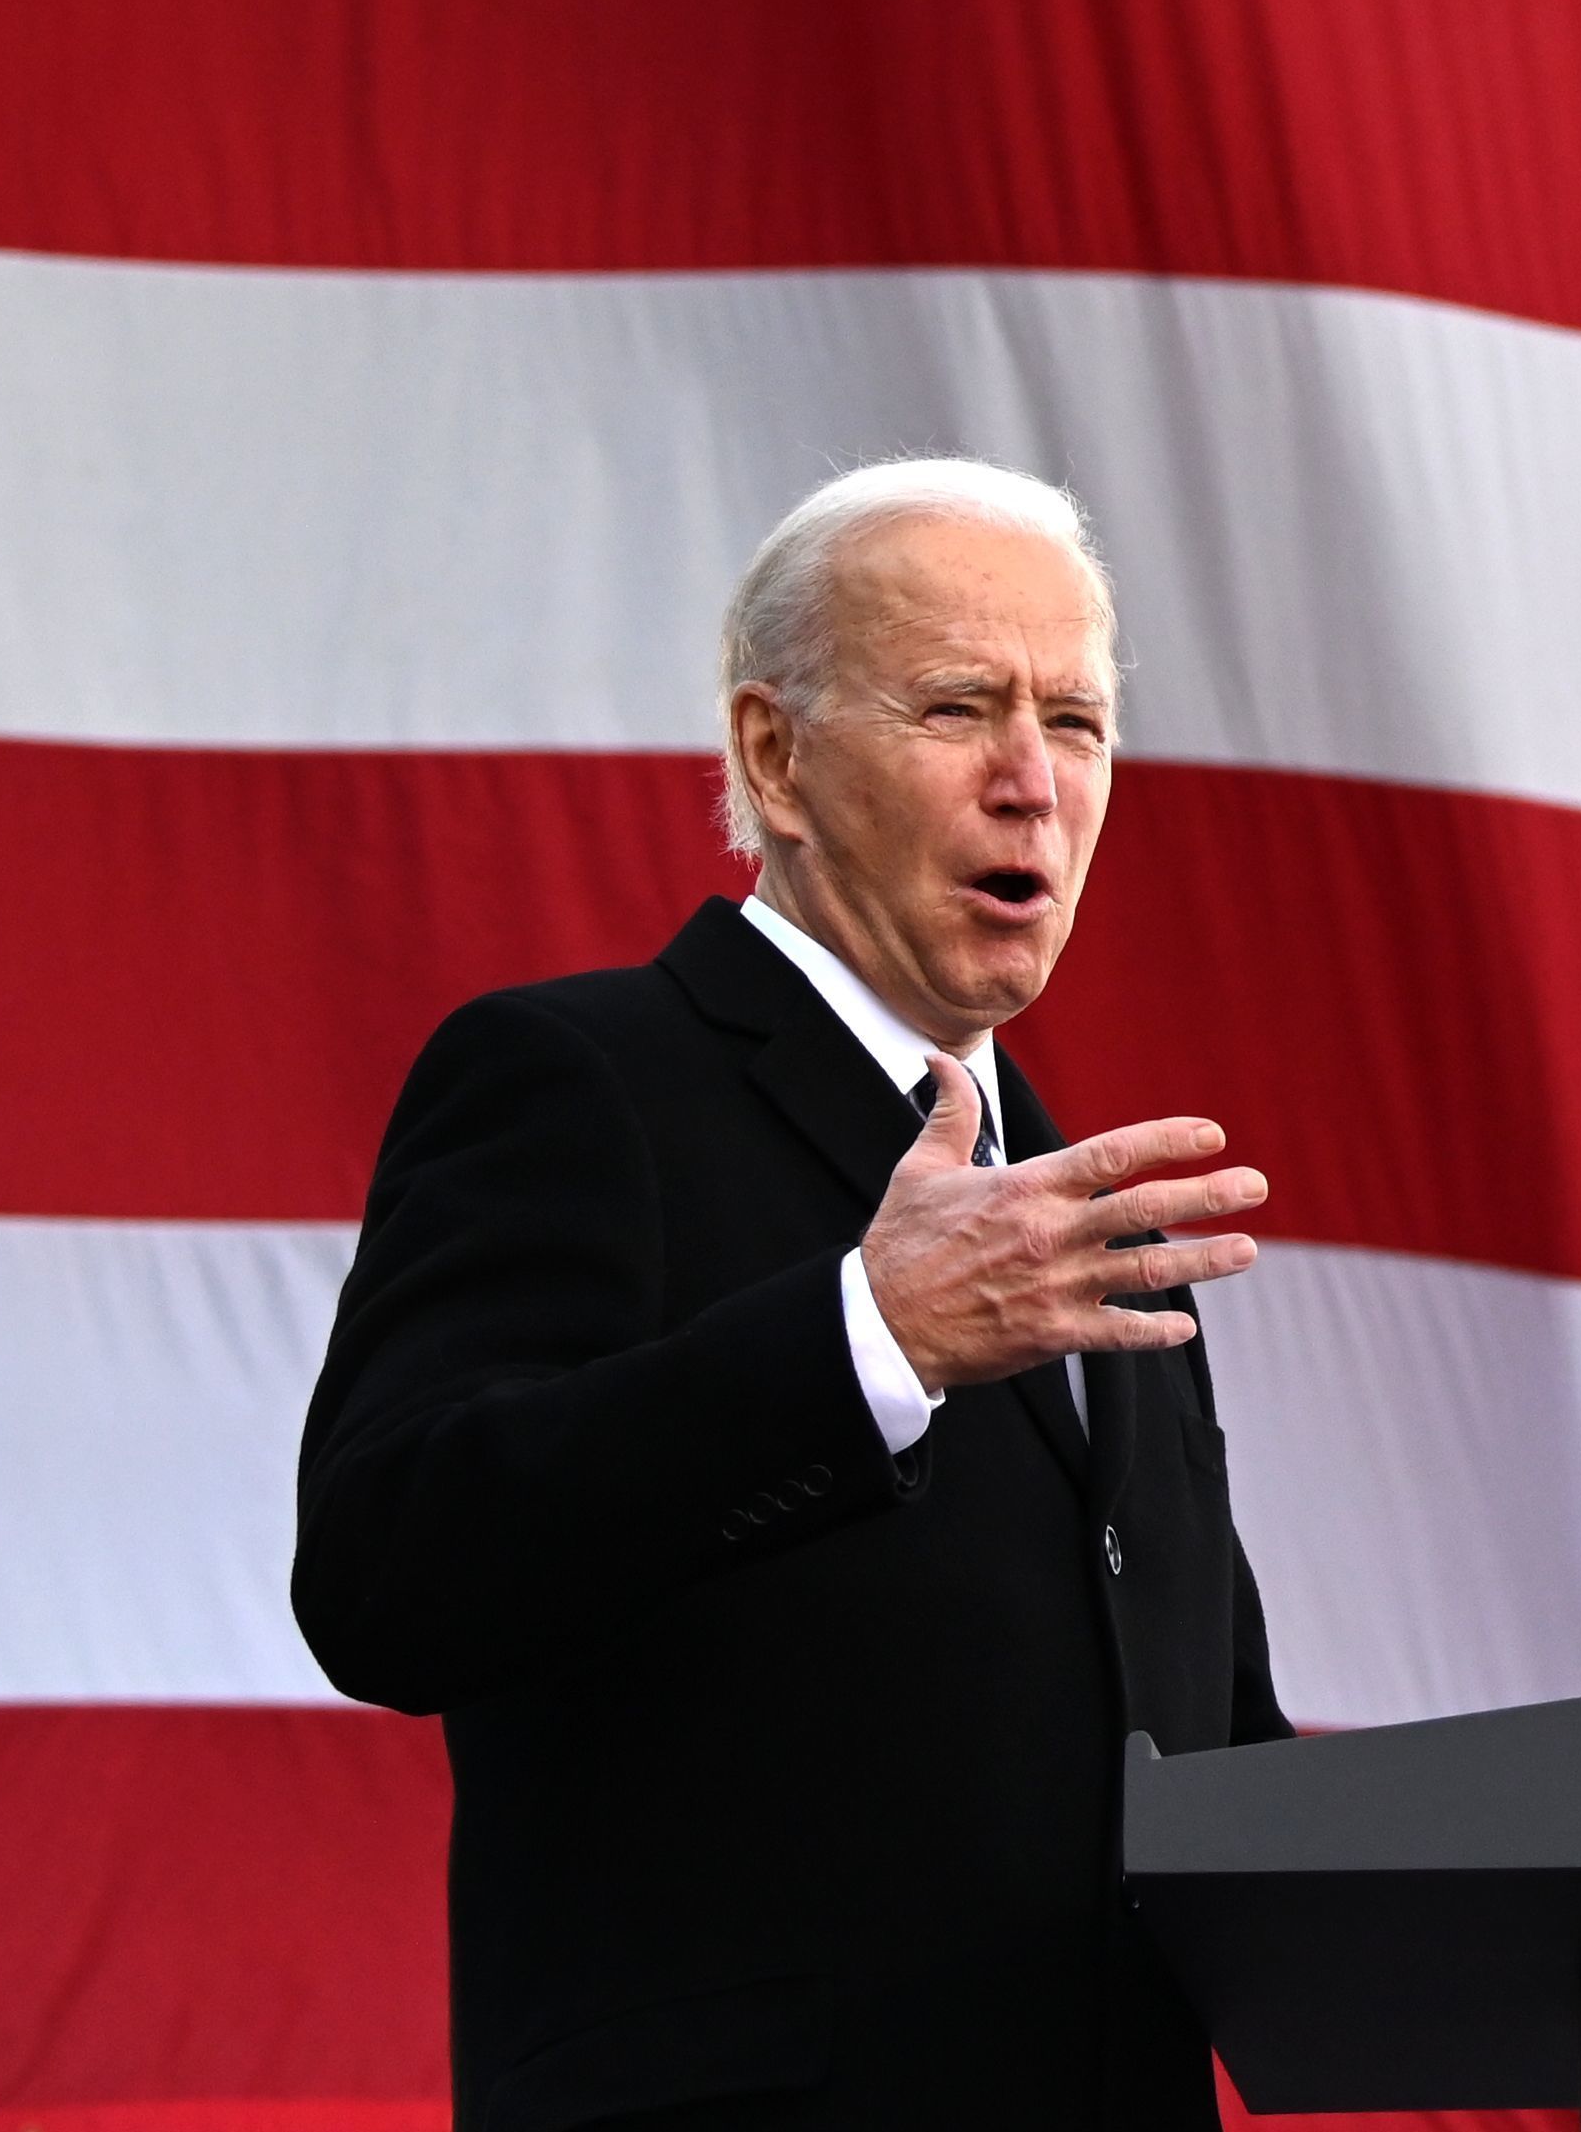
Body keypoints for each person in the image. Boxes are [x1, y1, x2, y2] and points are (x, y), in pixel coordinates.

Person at [296, 457, 1286, 2132]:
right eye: (959, 705)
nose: (1030, 780)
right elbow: (390, 1566)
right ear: (776, 754)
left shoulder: (1073, 1210)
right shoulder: (578, 1080)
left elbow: (1201, 1742)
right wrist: (867, 1340)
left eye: (1079, 720)